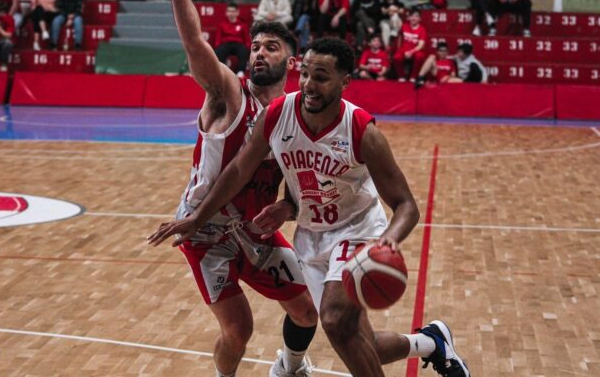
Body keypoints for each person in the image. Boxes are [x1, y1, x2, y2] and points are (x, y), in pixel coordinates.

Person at [148, 37, 471, 377]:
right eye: (305, 74)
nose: (308, 85)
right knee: (358, 341)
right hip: (311, 238)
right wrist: (200, 217)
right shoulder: (278, 115)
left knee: (332, 319)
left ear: (345, 82)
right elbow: (240, 170)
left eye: (321, 77)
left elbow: (406, 205)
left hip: (357, 231)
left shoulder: (362, 130)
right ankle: (433, 342)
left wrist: (386, 241)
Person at [152, 0, 320, 377]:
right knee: (239, 329)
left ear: (291, 63)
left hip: (254, 230)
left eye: (271, 47)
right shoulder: (228, 95)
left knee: (308, 311)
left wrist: (290, 208)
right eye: (256, 47)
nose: (259, 53)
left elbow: (301, 184)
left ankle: (289, 368)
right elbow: (195, 42)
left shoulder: (294, 117)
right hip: (204, 230)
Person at [214, 3, 251, 77]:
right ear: (226, 13)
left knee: (243, 51)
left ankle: (240, 72)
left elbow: (247, 39)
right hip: (226, 44)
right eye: (229, 11)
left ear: (237, 13)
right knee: (219, 51)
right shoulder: (222, 25)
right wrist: (217, 46)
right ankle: (220, 72)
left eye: (233, 11)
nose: (231, 13)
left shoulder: (243, 25)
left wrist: (248, 48)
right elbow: (218, 38)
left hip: (238, 44)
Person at [393, 7, 427, 81]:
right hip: (404, 48)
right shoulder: (404, 26)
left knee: (419, 56)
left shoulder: (422, 29)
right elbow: (400, 38)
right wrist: (399, 49)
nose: (413, 18)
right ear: (409, 17)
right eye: (412, 16)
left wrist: (411, 52)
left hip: (415, 49)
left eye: (416, 16)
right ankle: (401, 76)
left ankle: (413, 77)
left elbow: (421, 45)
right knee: (396, 57)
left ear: (420, 19)